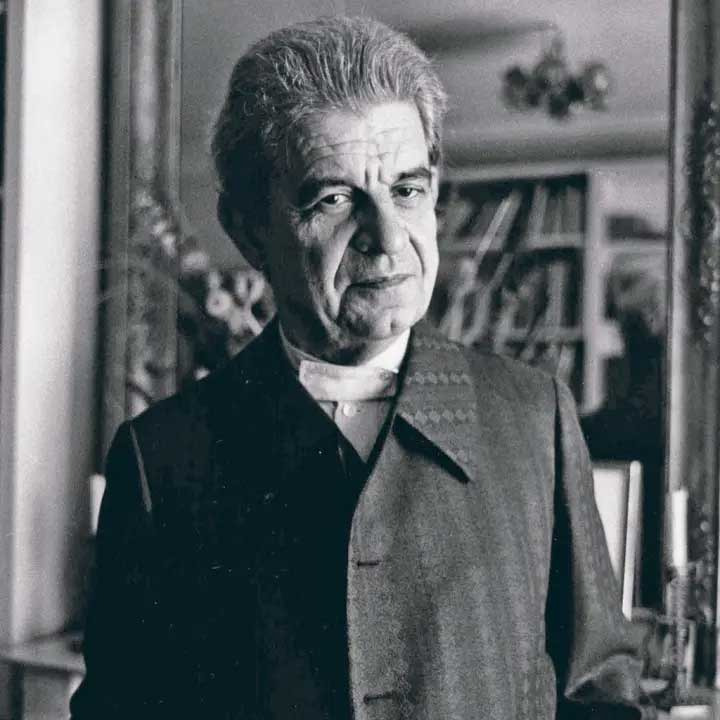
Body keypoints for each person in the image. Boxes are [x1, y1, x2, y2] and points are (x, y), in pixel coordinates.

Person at [70, 16, 646, 720]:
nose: (388, 238)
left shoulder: (533, 418)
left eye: (407, 190)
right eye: (335, 199)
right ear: (248, 228)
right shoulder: (162, 459)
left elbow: (598, 694)